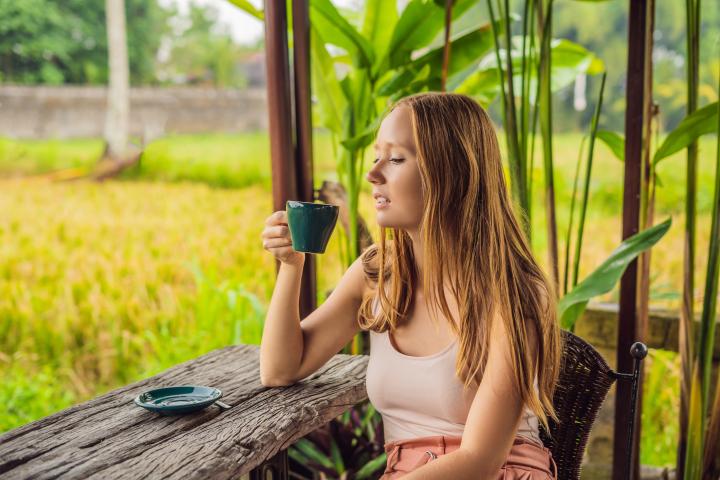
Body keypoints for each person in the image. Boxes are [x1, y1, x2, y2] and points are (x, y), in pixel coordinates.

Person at [259, 92, 561, 479]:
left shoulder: (514, 294)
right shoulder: (378, 275)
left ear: (451, 172)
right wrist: (290, 266)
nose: (373, 174)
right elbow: (281, 369)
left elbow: (481, 461)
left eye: (396, 159)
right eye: (376, 157)